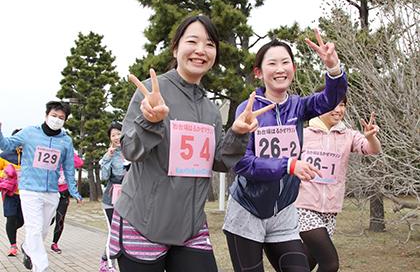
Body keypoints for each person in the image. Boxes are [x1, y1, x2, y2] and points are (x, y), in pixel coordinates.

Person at [107, 14, 274, 272]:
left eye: (209, 44)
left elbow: (217, 161)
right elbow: (130, 150)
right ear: (176, 48)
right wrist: (150, 121)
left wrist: (238, 133)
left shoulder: (208, 109)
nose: (200, 50)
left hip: (191, 227)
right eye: (192, 41)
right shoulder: (153, 92)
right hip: (143, 222)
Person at [222, 31, 348, 272]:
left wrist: (333, 68)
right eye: (272, 63)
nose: (280, 69)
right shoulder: (247, 109)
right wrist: (289, 165)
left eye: (285, 62)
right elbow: (242, 163)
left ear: (294, 68)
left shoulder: (299, 106)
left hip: (283, 213)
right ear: (258, 72)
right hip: (248, 209)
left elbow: (331, 98)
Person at [294, 93, 381, 271]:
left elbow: (372, 149)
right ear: (319, 105)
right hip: (303, 207)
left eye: (342, 105)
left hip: (330, 210)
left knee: (306, 264)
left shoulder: (348, 135)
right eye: (333, 104)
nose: (338, 109)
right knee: (330, 263)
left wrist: (371, 136)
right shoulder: (302, 133)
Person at [0, 101, 83, 272]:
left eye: (61, 117)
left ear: (65, 120)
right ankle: (41, 267)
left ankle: (28, 248)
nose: (56, 119)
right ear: (46, 115)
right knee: (35, 229)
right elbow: (7, 145)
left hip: (52, 191)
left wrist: (74, 191)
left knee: (43, 229)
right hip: (30, 189)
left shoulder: (66, 141)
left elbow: (68, 167)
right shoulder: (30, 133)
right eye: (54, 115)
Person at [99, 121, 129, 271]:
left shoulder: (133, 151)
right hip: (111, 200)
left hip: (130, 200)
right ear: (110, 138)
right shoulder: (109, 155)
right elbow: (104, 177)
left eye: (119, 133)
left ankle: (105, 257)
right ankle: (110, 265)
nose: (117, 137)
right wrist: (107, 158)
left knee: (125, 234)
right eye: (113, 135)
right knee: (114, 232)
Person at [50, 152, 84, 254]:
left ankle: (54, 243)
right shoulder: (52, 154)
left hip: (64, 193)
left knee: (60, 219)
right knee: (47, 220)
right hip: (51, 192)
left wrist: (69, 151)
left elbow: (79, 163)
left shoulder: (68, 157)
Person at [0, 129, 24, 257]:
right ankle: (13, 246)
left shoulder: (30, 156)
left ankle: (11, 231)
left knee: (21, 220)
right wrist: (5, 174)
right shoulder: (5, 155)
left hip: (26, 193)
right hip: (10, 193)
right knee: (11, 217)